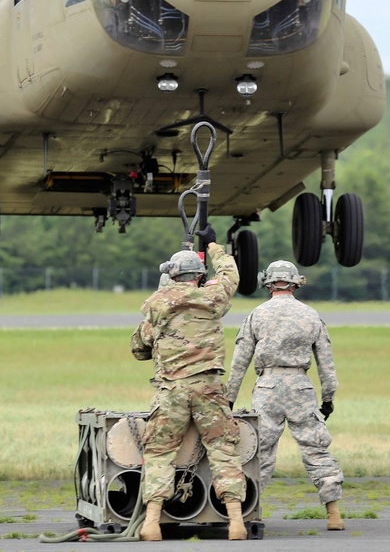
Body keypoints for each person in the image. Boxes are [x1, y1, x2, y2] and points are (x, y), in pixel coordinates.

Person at [131, 224, 247, 541]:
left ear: (171, 275)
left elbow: (139, 348)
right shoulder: (211, 298)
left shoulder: (156, 306)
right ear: (197, 275)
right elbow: (229, 276)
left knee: (158, 453)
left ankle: (151, 523)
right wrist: (214, 247)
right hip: (209, 388)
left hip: (171, 391)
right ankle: (236, 522)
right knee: (223, 449)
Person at [226, 260, 345, 531]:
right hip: (301, 387)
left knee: (260, 451)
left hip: (267, 389)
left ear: (267, 284)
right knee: (315, 448)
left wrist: (229, 399)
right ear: (295, 283)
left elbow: (239, 363)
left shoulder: (257, 315)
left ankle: (249, 515)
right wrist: (328, 398)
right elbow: (326, 364)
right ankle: (333, 514)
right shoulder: (311, 315)